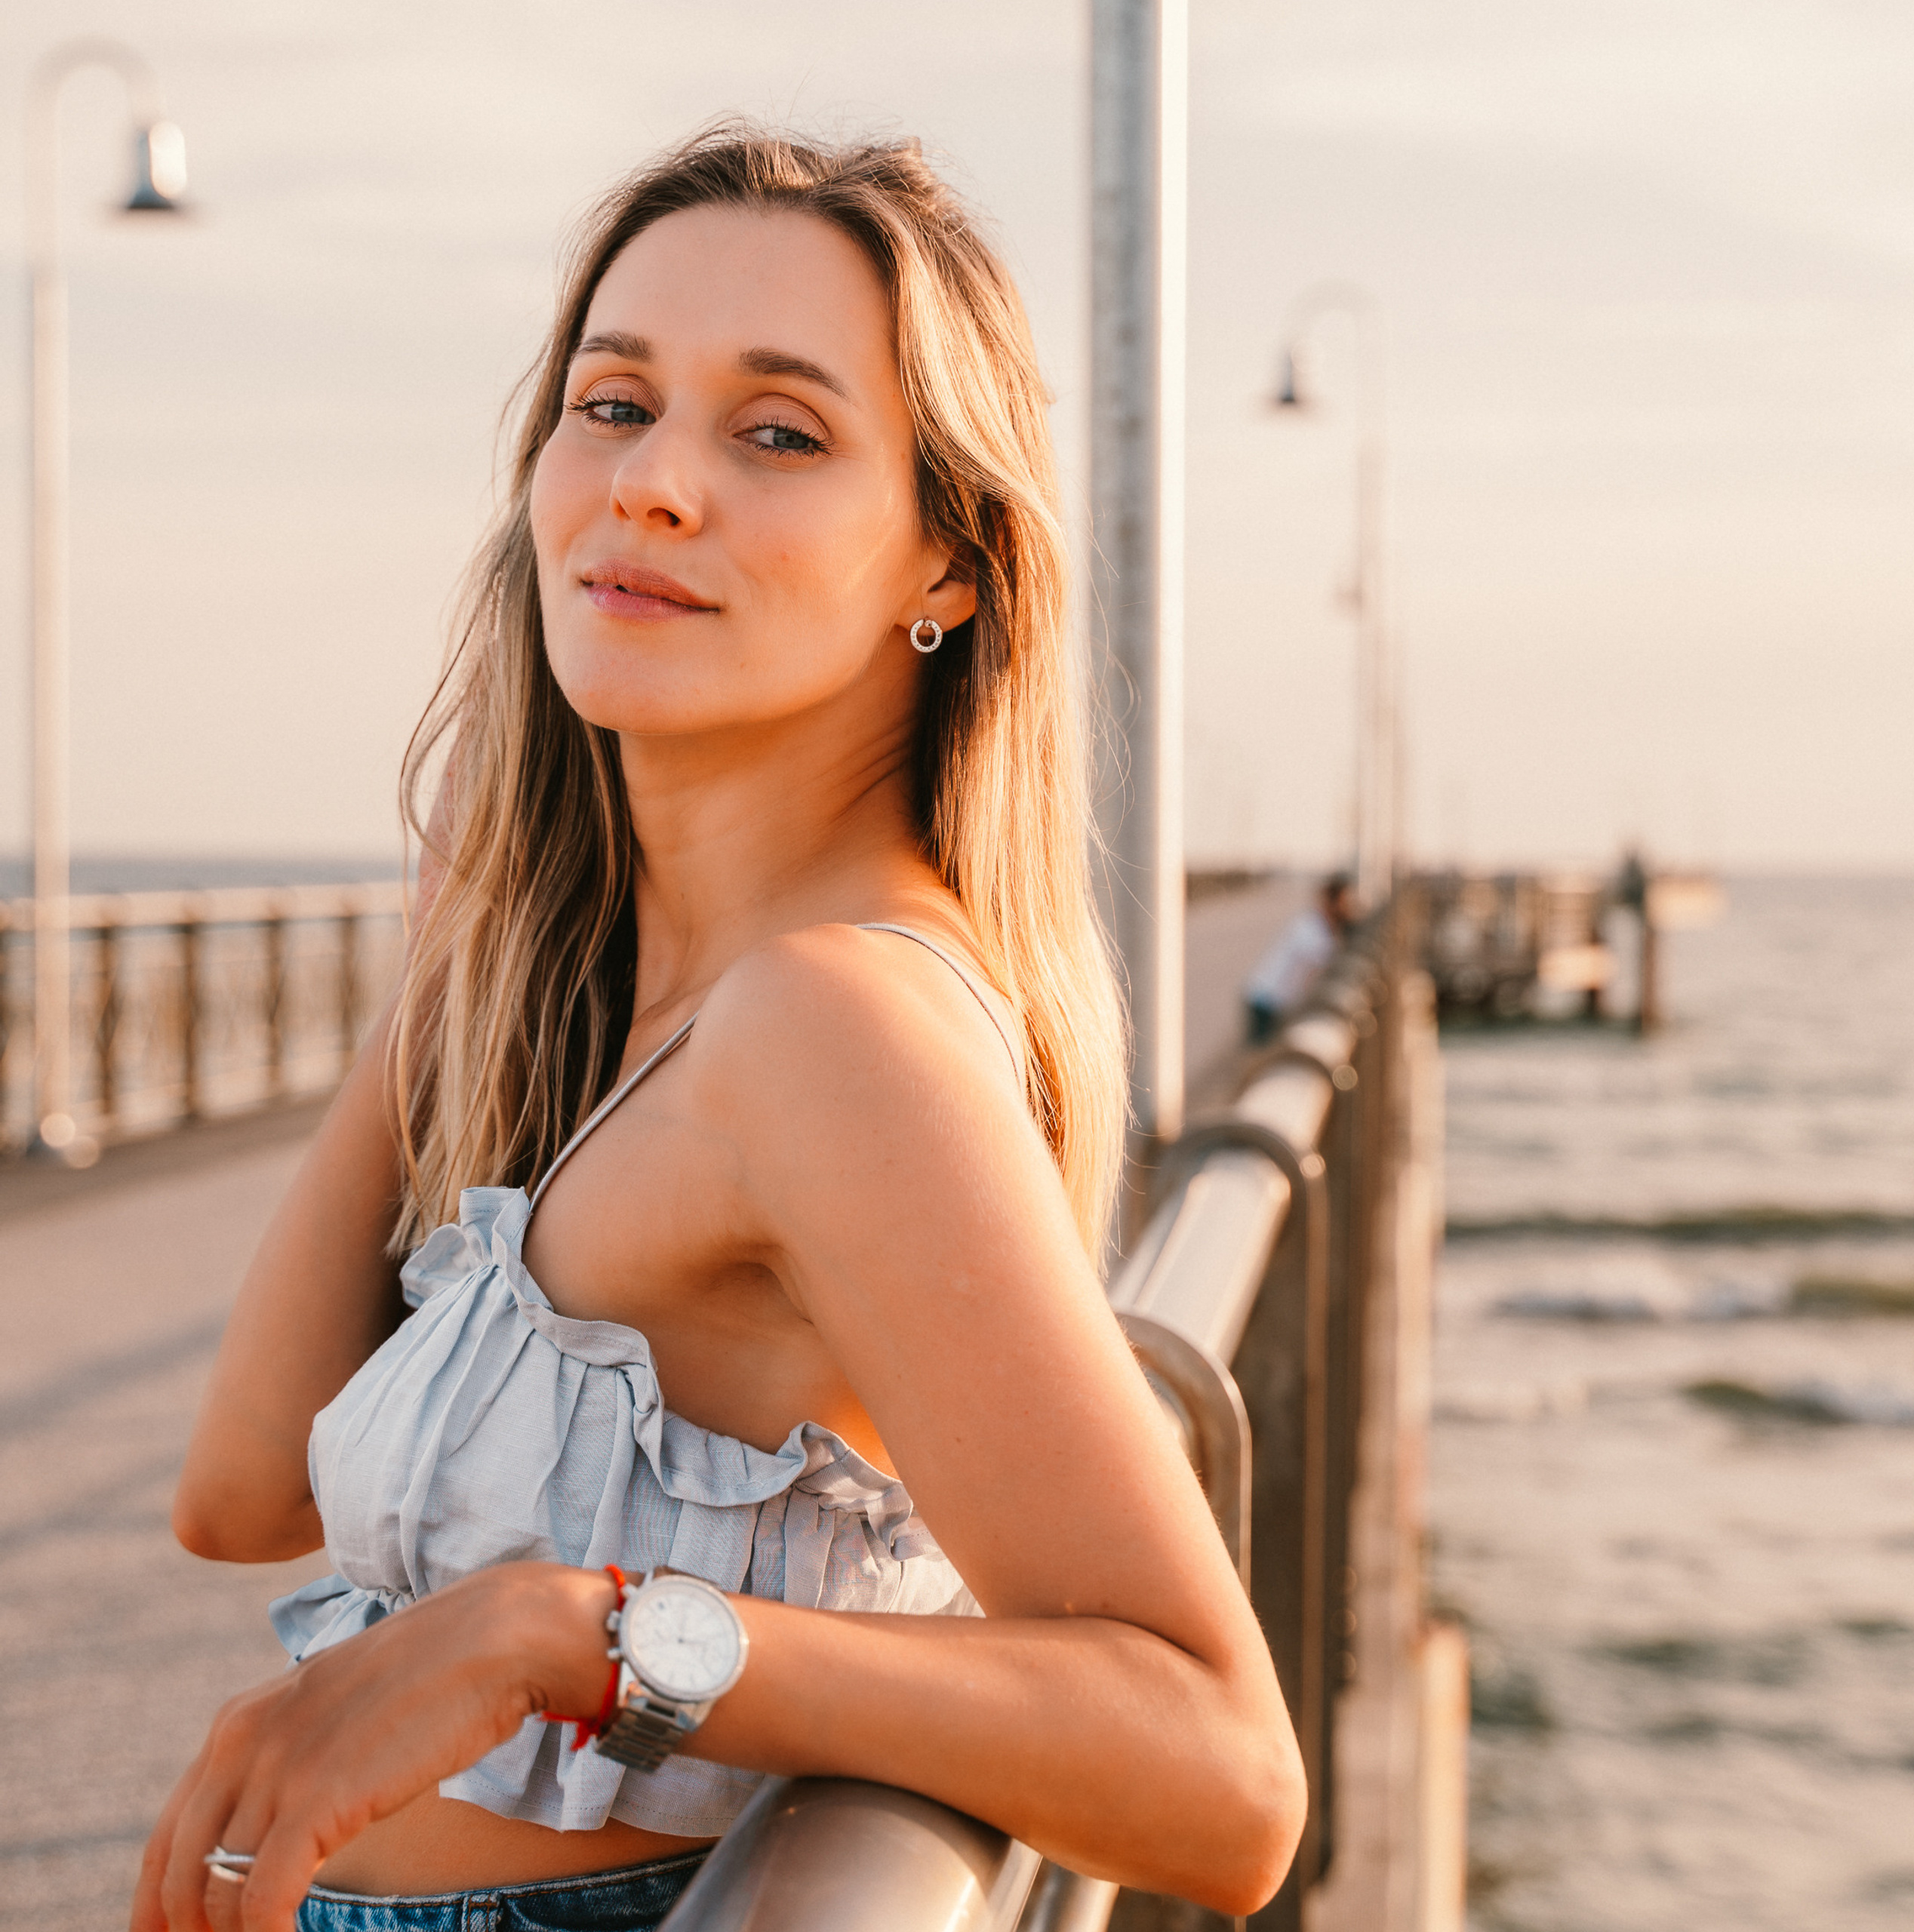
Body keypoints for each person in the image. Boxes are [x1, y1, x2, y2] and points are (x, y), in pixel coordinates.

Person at [136, 128, 1304, 1932]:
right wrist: (455, 950)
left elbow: (1220, 1772)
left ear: (949, 567)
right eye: (612, 404)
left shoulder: (831, 1022)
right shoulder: (634, 994)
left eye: (777, 432)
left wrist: (574, 1635)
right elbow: (240, 1486)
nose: (656, 484)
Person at [1242, 872, 1354, 1044]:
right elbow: (1323, 964)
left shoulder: (1316, 926)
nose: (1348, 909)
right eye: (1345, 903)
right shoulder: (1312, 930)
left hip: (1272, 1000)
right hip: (1266, 1002)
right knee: (1263, 1056)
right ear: (1332, 902)